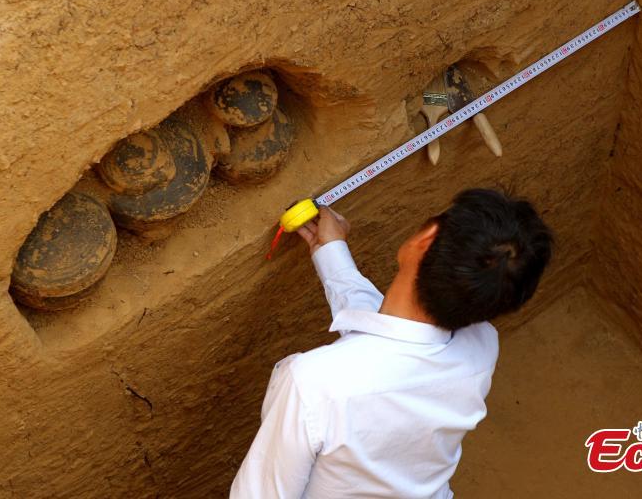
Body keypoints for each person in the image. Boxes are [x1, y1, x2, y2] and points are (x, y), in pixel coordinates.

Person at [231, 188, 554, 498]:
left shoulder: (314, 384)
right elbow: (386, 338)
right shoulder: (482, 346)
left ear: (426, 239)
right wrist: (330, 252)